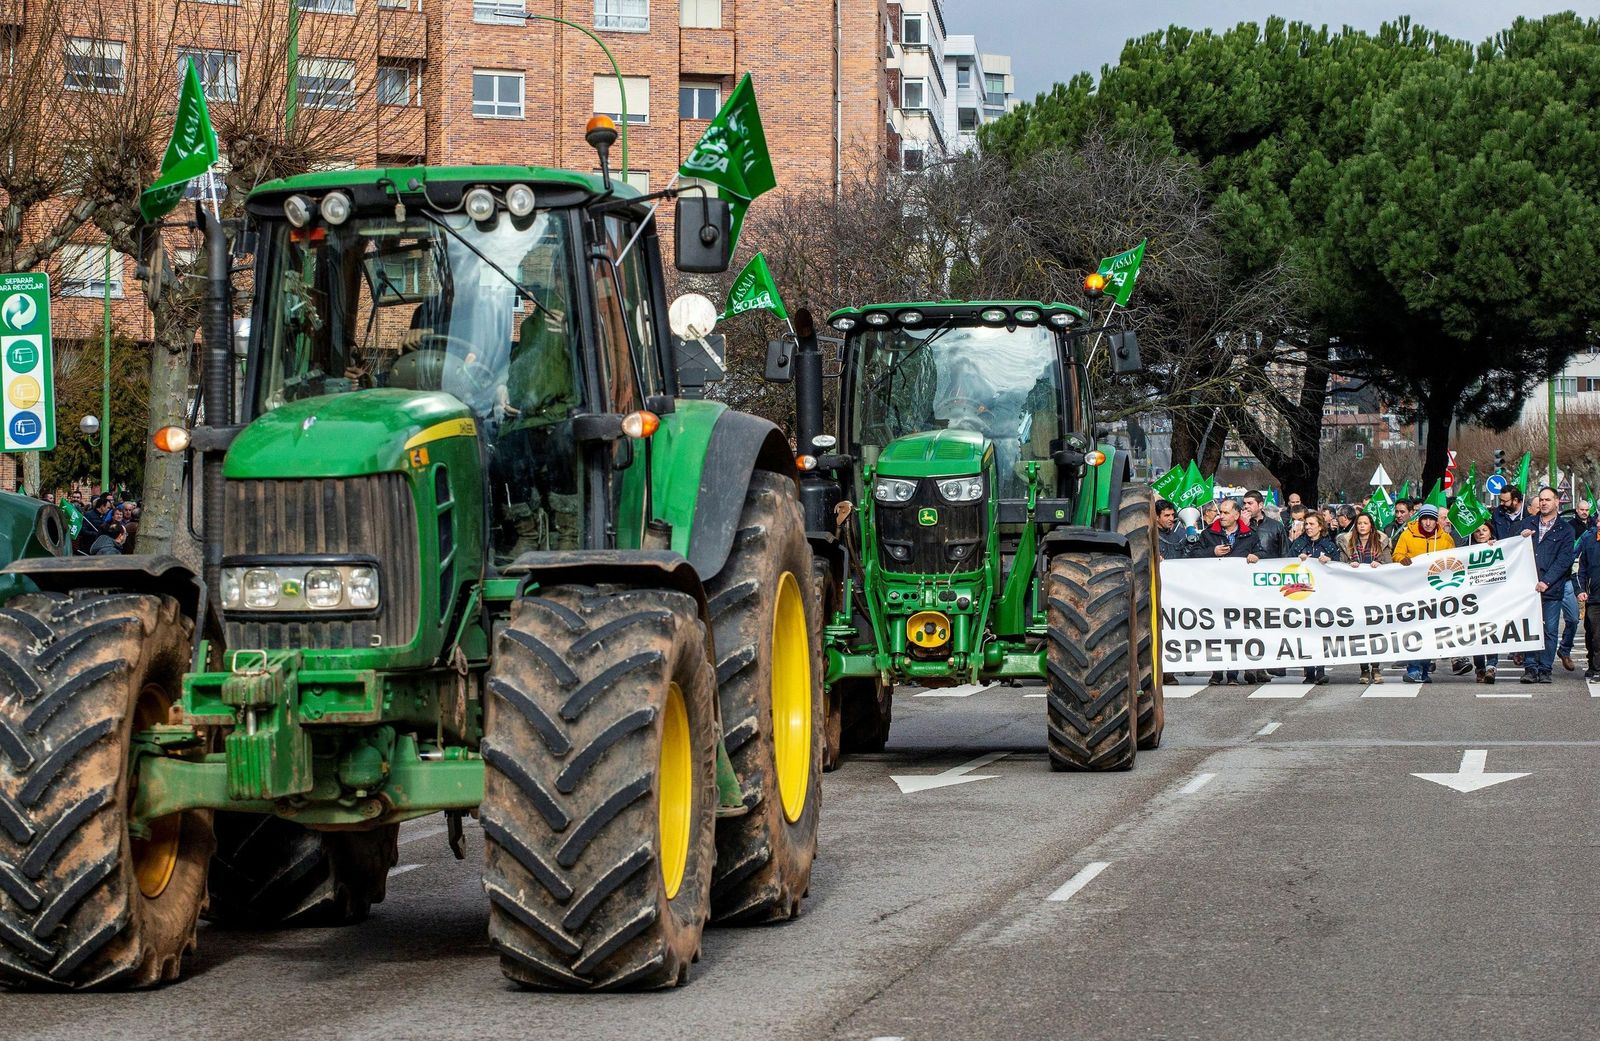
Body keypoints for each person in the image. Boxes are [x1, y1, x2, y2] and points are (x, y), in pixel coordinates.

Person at [1518, 487, 1575, 684]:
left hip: (1551, 589)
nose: (1543, 503)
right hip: (1527, 588)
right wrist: (1520, 537)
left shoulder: (1566, 529)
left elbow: (1564, 559)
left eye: (1548, 500)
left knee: (1550, 630)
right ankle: (1530, 668)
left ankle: (1545, 669)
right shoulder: (1527, 523)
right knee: (1530, 629)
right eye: (1541, 500)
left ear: (1557, 502)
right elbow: (1509, 547)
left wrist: (1546, 581)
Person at [1202, 498, 1261, 686]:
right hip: (1215, 592)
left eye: (1226, 513)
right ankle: (1217, 673)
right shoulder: (1209, 534)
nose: (1221, 515)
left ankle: (1233, 674)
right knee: (1216, 632)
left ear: (1236, 515)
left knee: (1235, 633)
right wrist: (1212, 551)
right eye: (1220, 512)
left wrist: (1256, 556)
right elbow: (1192, 554)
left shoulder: (1250, 535)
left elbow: (1265, 554)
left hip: (1239, 593)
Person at [1394, 503, 1455, 682]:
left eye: (1431, 519)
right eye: (1424, 519)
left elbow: (1453, 561)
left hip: (1435, 592)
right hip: (1412, 590)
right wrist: (1403, 560)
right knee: (1414, 629)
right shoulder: (1407, 535)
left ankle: (1425, 669)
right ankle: (1413, 668)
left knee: (1430, 631)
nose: (1428, 523)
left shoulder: (1445, 539)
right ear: (1419, 519)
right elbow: (1396, 554)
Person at [1339, 513, 1392, 684]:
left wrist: (1381, 565)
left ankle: (1376, 668)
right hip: (1355, 593)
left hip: (1375, 593)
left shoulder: (1381, 541)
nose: (1362, 526)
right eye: (1359, 523)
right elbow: (1339, 566)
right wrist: (1349, 566)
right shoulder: (1347, 543)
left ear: (1371, 525)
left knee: (1375, 631)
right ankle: (1363, 669)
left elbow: (1390, 564)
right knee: (1360, 631)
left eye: (1365, 523)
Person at [1286, 513, 1338, 683]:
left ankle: (1320, 670)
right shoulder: (1299, 544)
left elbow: (1339, 566)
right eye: (1306, 524)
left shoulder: (1329, 545)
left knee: (1320, 633)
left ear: (1320, 526)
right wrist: (1297, 560)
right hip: (1303, 595)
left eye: (1311, 524)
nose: (1308, 527)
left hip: (1322, 596)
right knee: (1305, 632)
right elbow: (1286, 565)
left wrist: (1330, 561)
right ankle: (1308, 671)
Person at [1575, 520, 1600, 681]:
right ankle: (1593, 664)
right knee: (1594, 635)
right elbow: (1580, 568)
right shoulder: (1589, 540)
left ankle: (1597, 668)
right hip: (1594, 598)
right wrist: (1581, 590)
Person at [1243, 491, 1286, 559]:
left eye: (1250, 503)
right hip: (1246, 567)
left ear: (1260, 505)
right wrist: (1243, 526)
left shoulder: (1276, 526)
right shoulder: (1240, 525)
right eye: (1244, 503)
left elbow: (1284, 552)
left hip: (1269, 567)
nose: (1246, 506)